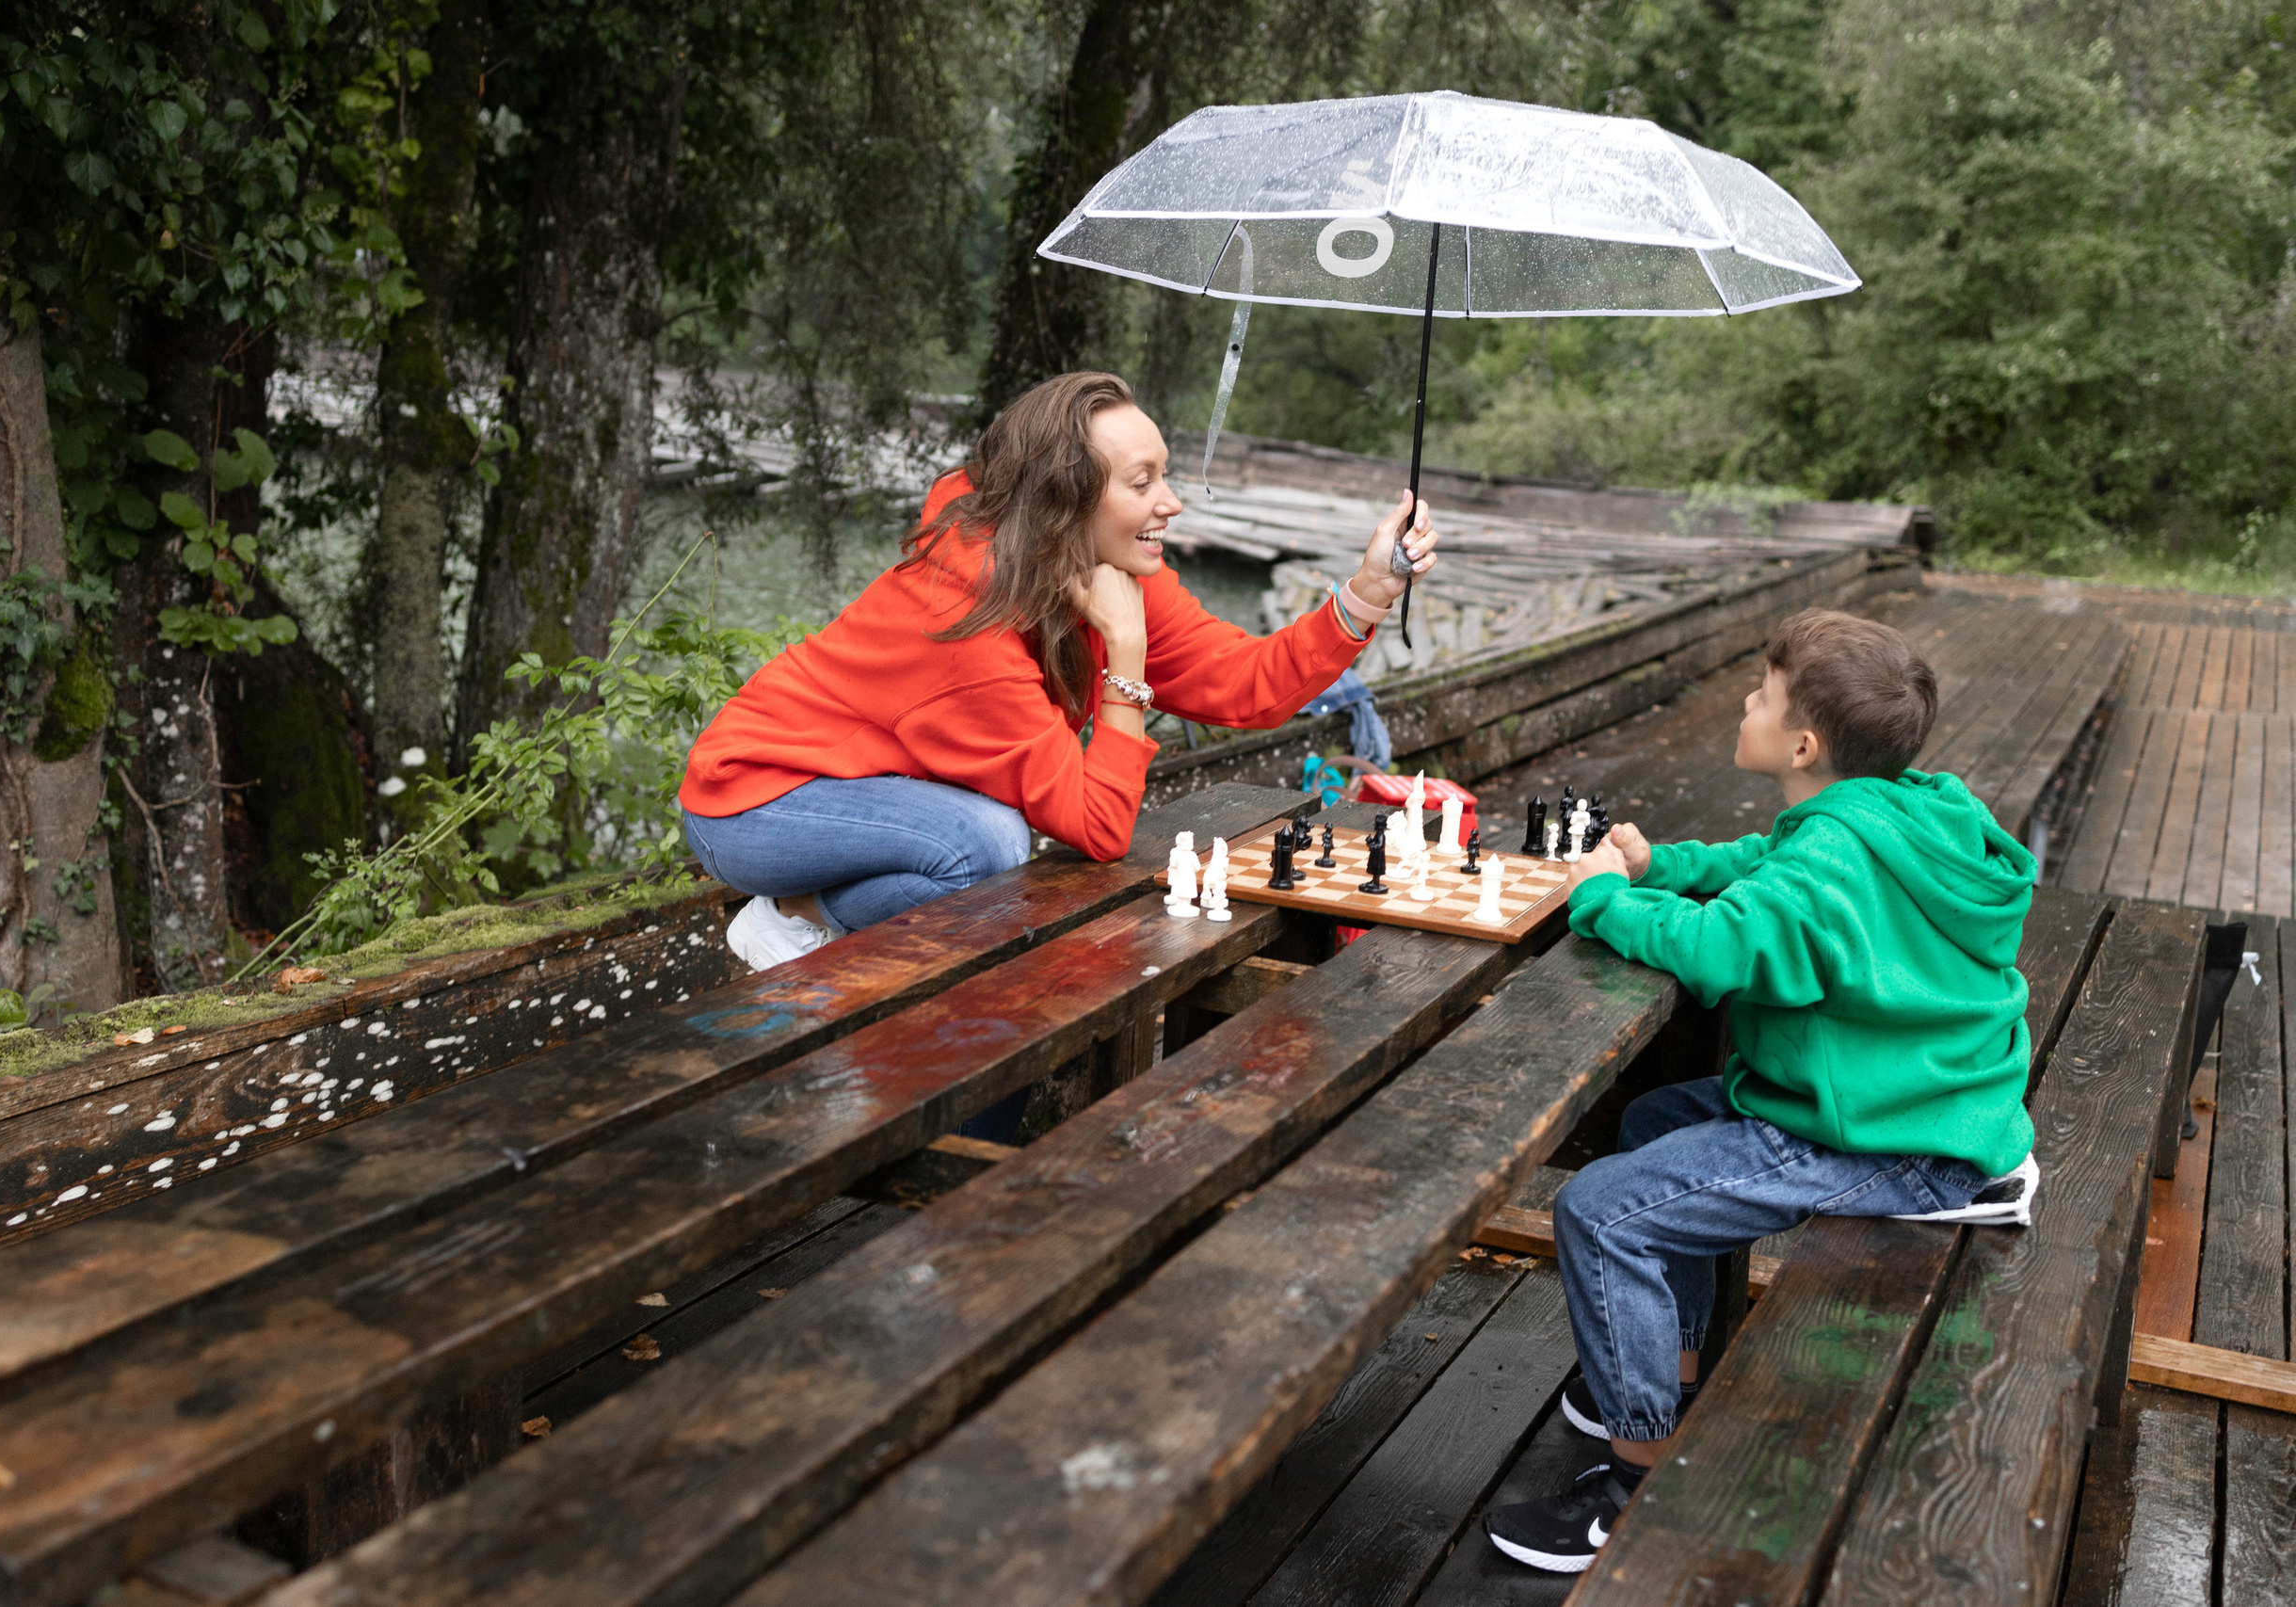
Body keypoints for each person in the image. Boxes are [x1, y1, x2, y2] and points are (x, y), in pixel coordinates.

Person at [1482, 608, 2041, 1575]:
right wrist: (1665, 865)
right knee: (1654, 1120)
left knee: (1602, 1213)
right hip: (1917, 1101)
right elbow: (1764, 866)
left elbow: (1721, 951)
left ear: (1802, 741)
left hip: (1886, 1141)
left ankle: (1635, 1482)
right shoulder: (1897, 808)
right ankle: (1672, 1376)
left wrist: (1605, 895)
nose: (1744, 702)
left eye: (1760, 693)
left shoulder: (1828, 858)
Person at [678, 371, 1437, 972]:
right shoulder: (967, 622)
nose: (1170, 503)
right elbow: (1099, 827)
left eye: (1163, 476)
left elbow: (1244, 681)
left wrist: (1366, 593)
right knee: (988, 845)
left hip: (875, 789)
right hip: (754, 801)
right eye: (1141, 483)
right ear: (1061, 503)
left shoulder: (1112, 571)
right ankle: (791, 922)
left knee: (984, 853)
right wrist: (1127, 659)